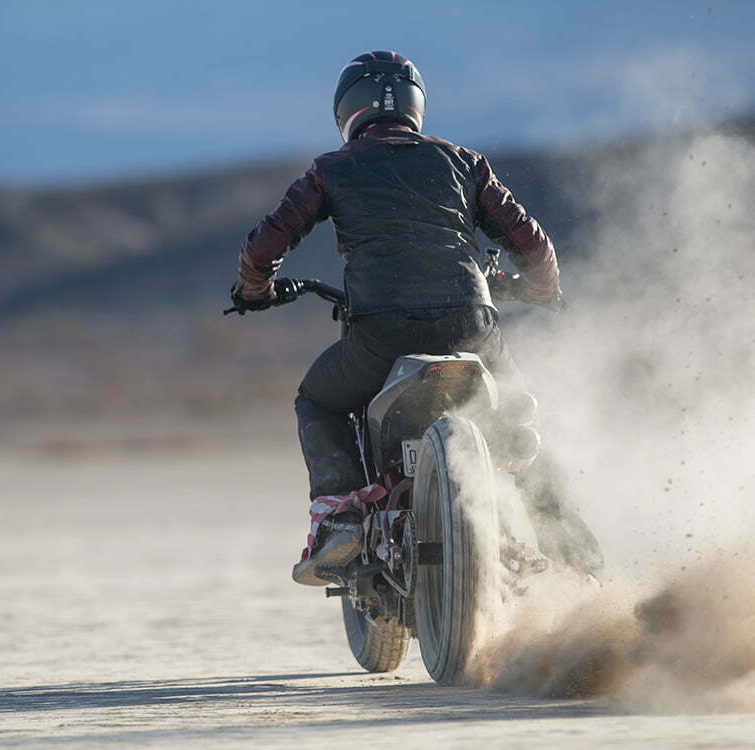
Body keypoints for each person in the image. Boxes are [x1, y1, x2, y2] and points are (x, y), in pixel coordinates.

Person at [230, 51, 598, 585]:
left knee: (319, 399)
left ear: (347, 113)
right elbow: (533, 247)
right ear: (415, 108)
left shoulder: (331, 170)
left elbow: (266, 243)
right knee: (515, 419)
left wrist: (254, 290)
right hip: (472, 324)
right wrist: (538, 291)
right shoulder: (463, 162)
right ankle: (573, 549)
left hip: (380, 330)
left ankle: (341, 516)